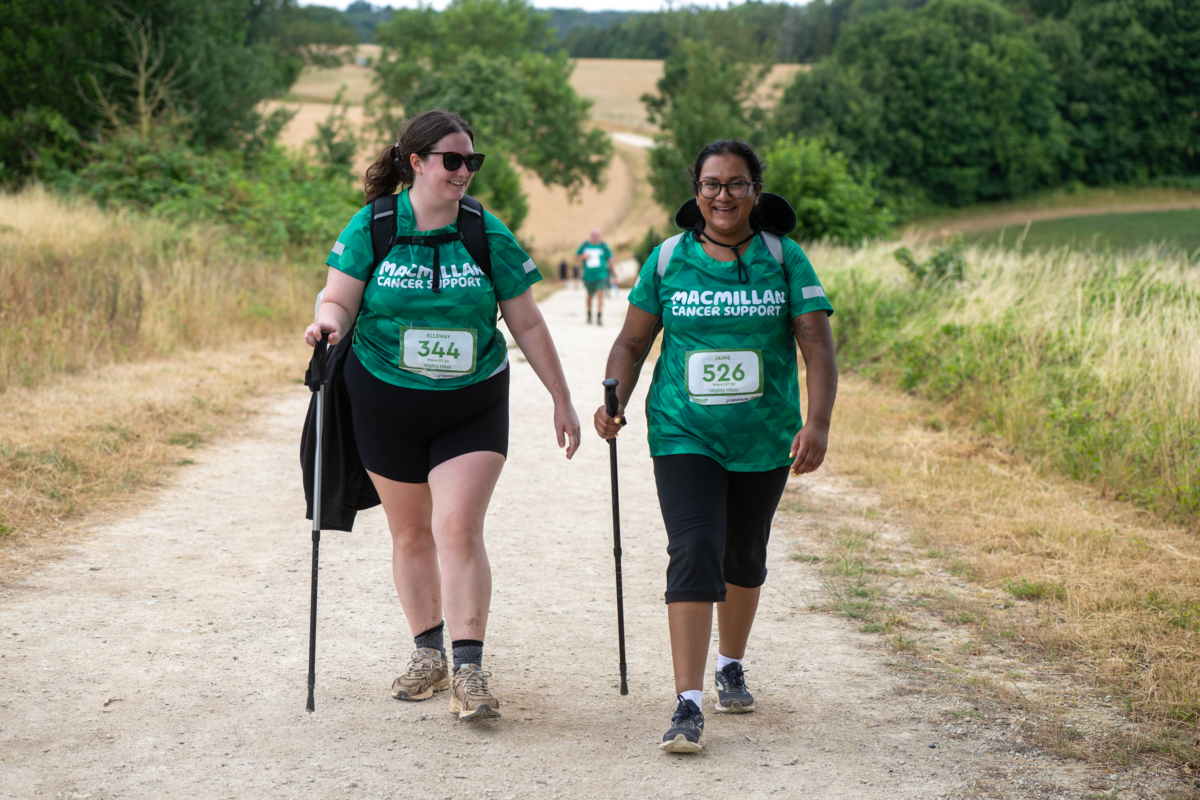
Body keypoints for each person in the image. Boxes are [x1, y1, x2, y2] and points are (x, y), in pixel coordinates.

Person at [305, 109, 581, 722]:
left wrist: (561, 397)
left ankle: (469, 668)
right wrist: (326, 323)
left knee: (456, 527)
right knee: (410, 534)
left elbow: (528, 321)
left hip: (472, 401)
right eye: (453, 160)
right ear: (417, 162)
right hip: (385, 400)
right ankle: (427, 652)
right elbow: (339, 298)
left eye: (472, 162)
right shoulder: (374, 225)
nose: (464, 172)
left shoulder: (485, 231)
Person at [593, 139, 838, 753]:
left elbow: (817, 347)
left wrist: (819, 422)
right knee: (695, 547)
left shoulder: (784, 259)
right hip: (684, 431)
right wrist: (614, 395)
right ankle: (688, 701)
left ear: (756, 190)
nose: (722, 196)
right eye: (710, 184)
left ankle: (731, 663)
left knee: (743, 555)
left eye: (735, 184)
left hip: (763, 435)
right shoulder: (669, 258)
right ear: (695, 190)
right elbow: (631, 342)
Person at [575, 228, 614, 325]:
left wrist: (614, 275)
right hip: (588, 276)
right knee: (590, 295)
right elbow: (576, 257)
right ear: (591, 236)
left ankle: (599, 316)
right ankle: (589, 314)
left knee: (601, 294)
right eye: (594, 236)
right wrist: (582, 257)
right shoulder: (585, 245)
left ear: (600, 236)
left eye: (597, 236)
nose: (595, 237)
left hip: (601, 275)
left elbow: (610, 260)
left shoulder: (604, 246)